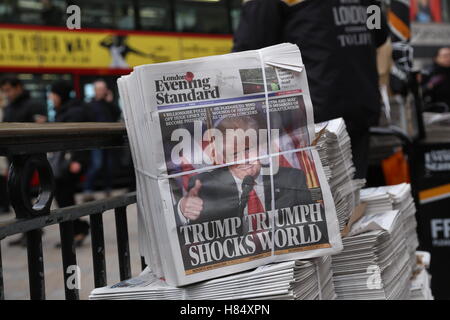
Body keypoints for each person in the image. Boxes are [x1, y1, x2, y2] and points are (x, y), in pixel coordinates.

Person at [233, 0, 390, 179]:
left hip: (311, 121)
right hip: (357, 110)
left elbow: (247, 52)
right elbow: (378, 35)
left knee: (315, 197)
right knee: (348, 196)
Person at [48, 80, 91, 247]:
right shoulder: (65, 110)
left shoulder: (74, 112)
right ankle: (77, 229)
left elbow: (79, 137)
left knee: (64, 196)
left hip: (71, 161)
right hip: (67, 160)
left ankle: (77, 229)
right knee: (64, 197)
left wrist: (78, 160)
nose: (51, 97)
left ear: (60, 94)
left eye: (53, 93)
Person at [82, 80, 121, 202]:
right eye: (99, 89)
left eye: (103, 89)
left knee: (108, 166)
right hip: (95, 141)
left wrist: (110, 101)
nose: (102, 91)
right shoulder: (89, 105)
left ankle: (108, 189)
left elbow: (117, 115)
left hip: (108, 140)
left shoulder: (109, 104)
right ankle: (87, 190)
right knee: (97, 165)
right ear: (95, 90)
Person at [421, 46, 450, 111]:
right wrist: (430, 85)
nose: (448, 58)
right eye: (445, 56)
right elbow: (420, 92)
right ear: (436, 58)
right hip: (435, 111)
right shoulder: (428, 73)